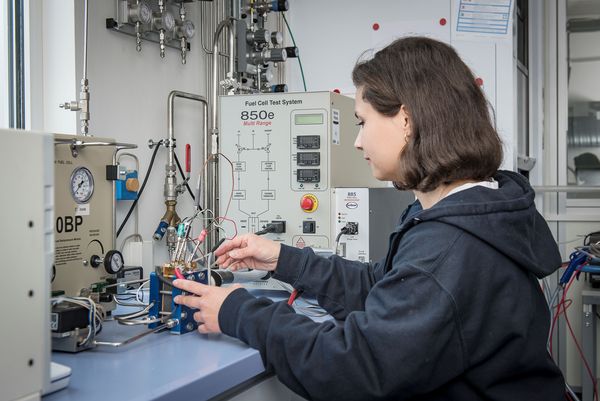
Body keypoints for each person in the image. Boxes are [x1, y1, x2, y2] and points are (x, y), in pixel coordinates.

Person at [173, 36, 566, 400]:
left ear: (406, 120)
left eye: (362, 121)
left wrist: (238, 311)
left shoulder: (450, 246)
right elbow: (382, 288)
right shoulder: (473, 209)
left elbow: (353, 368)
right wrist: (283, 259)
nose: (358, 141)